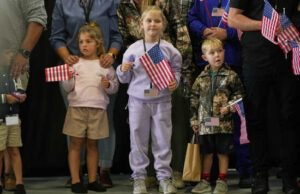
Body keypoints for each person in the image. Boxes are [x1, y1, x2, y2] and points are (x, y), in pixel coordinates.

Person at [117, 0, 193, 189]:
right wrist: (122, 69)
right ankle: (139, 178)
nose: (152, 24)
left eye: (157, 21)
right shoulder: (133, 49)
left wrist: (173, 80)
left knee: (162, 140)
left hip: (161, 101)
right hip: (137, 102)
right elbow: (124, 78)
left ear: (163, 24)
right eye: (149, 21)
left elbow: (176, 67)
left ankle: (164, 178)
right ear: (141, 24)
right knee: (138, 141)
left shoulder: (169, 49)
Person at [228, 0, 300, 194]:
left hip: (288, 57)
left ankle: (290, 177)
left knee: (289, 118)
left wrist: (291, 24)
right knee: (256, 118)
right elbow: (233, 19)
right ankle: (259, 175)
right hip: (255, 59)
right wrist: (264, 25)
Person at [49, 0, 123, 188]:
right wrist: (68, 59)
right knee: (75, 123)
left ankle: (103, 171)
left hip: (102, 66)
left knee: (104, 120)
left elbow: (117, 36)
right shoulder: (62, 3)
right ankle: (77, 173)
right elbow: (56, 37)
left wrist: (111, 55)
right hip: (73, 68)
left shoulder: (110, 2)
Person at [188, 0, 252, 188]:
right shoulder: (200, 1)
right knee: (209, 123)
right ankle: (212, 174)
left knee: (240, 122)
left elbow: (249, 22)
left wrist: (228, 33)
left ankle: (245, 170)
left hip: (234, 62)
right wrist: (204, 31)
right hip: (207, 70)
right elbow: (191, 19)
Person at [62, 22, 119, 194]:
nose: (84, 45)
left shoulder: (105, 66)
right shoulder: (75, 63)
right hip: (77, 109)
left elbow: (115, 88)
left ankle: (93, 180)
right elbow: (67, 88)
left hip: (98, 109)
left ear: (98, 43)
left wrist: (108, 84)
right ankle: (76, 180)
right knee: (75, 144)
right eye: (81, 42)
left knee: (93, 145)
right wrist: (68, 77)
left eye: (88, 41)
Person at [190, 38, 244, 194]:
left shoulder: (231, 75)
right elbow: (194, 100)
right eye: (212, 53)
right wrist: (194, 120)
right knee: (206, 153)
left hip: (223, 124)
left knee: (223, 152)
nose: (217, 55)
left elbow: (240, 94)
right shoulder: (200, 78)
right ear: (204, 57)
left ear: (224, 52)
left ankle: (222, 181)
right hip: (205, 125)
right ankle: (205, 181)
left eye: (220, 51)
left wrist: (230, 107)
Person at [0, 47, 28, 194]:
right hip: (0, 119)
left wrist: (20, 96)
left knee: (14, 149)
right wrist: (5, 98)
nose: (10, 56)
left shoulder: (14, 73)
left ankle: (19, 182)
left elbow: (19, 89)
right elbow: (5, 96)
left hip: (13, 118)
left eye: (11, 53)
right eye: (7, 52)